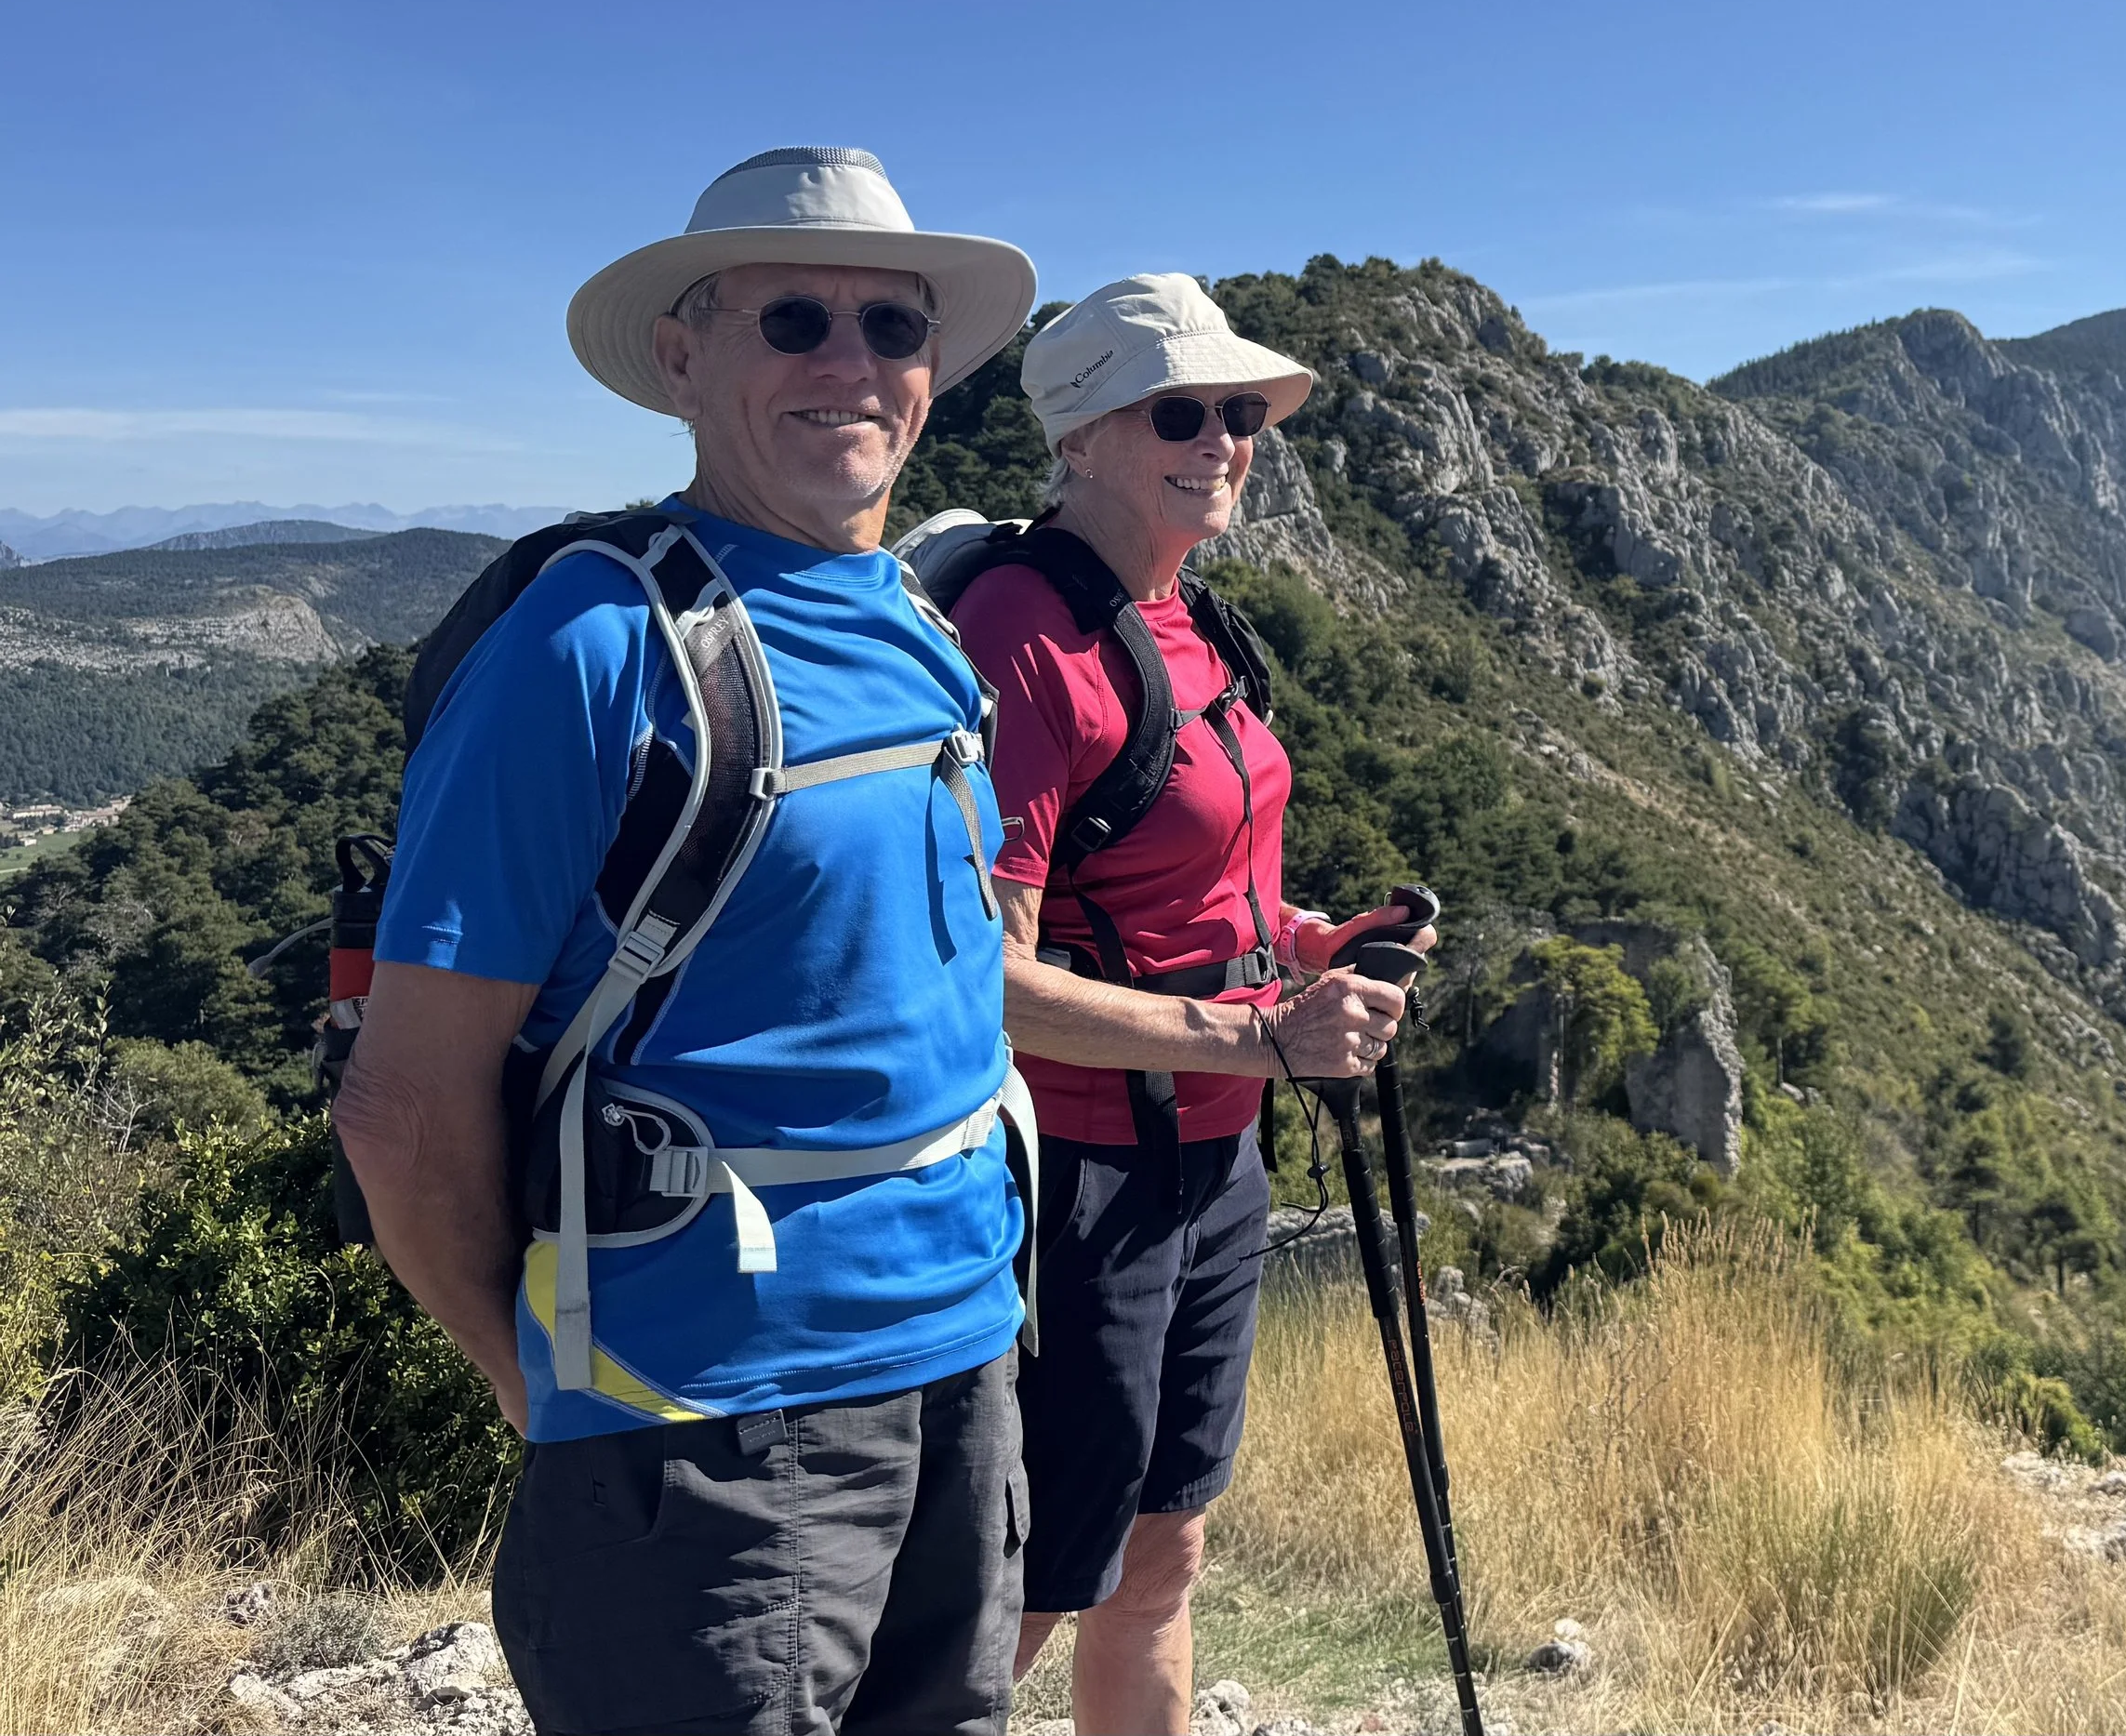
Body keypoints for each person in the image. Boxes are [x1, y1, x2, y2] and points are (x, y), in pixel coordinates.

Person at [337, 147, 1042, 1736]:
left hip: (969, 1363)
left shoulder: (923, 624)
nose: (851, 364)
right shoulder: (588, 651)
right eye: (795, 318)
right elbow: (399, 1104)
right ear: (682, 355)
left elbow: (940, 978)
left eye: (893, 327)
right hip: (705, 1421)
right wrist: (549, 1391)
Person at [948, 275, 1427, 1736]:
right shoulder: (1022, 637)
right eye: (1180, 411)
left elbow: (1206, 902)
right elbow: (987, 979)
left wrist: (1313, 944)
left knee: (1166, 1550)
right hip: (1085, 1177)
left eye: (1239, 414)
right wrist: (1262, 1038)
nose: (1223, 440)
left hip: (1215, 1162)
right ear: (1080, 432)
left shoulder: (1191, 625)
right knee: (1036, 1578)